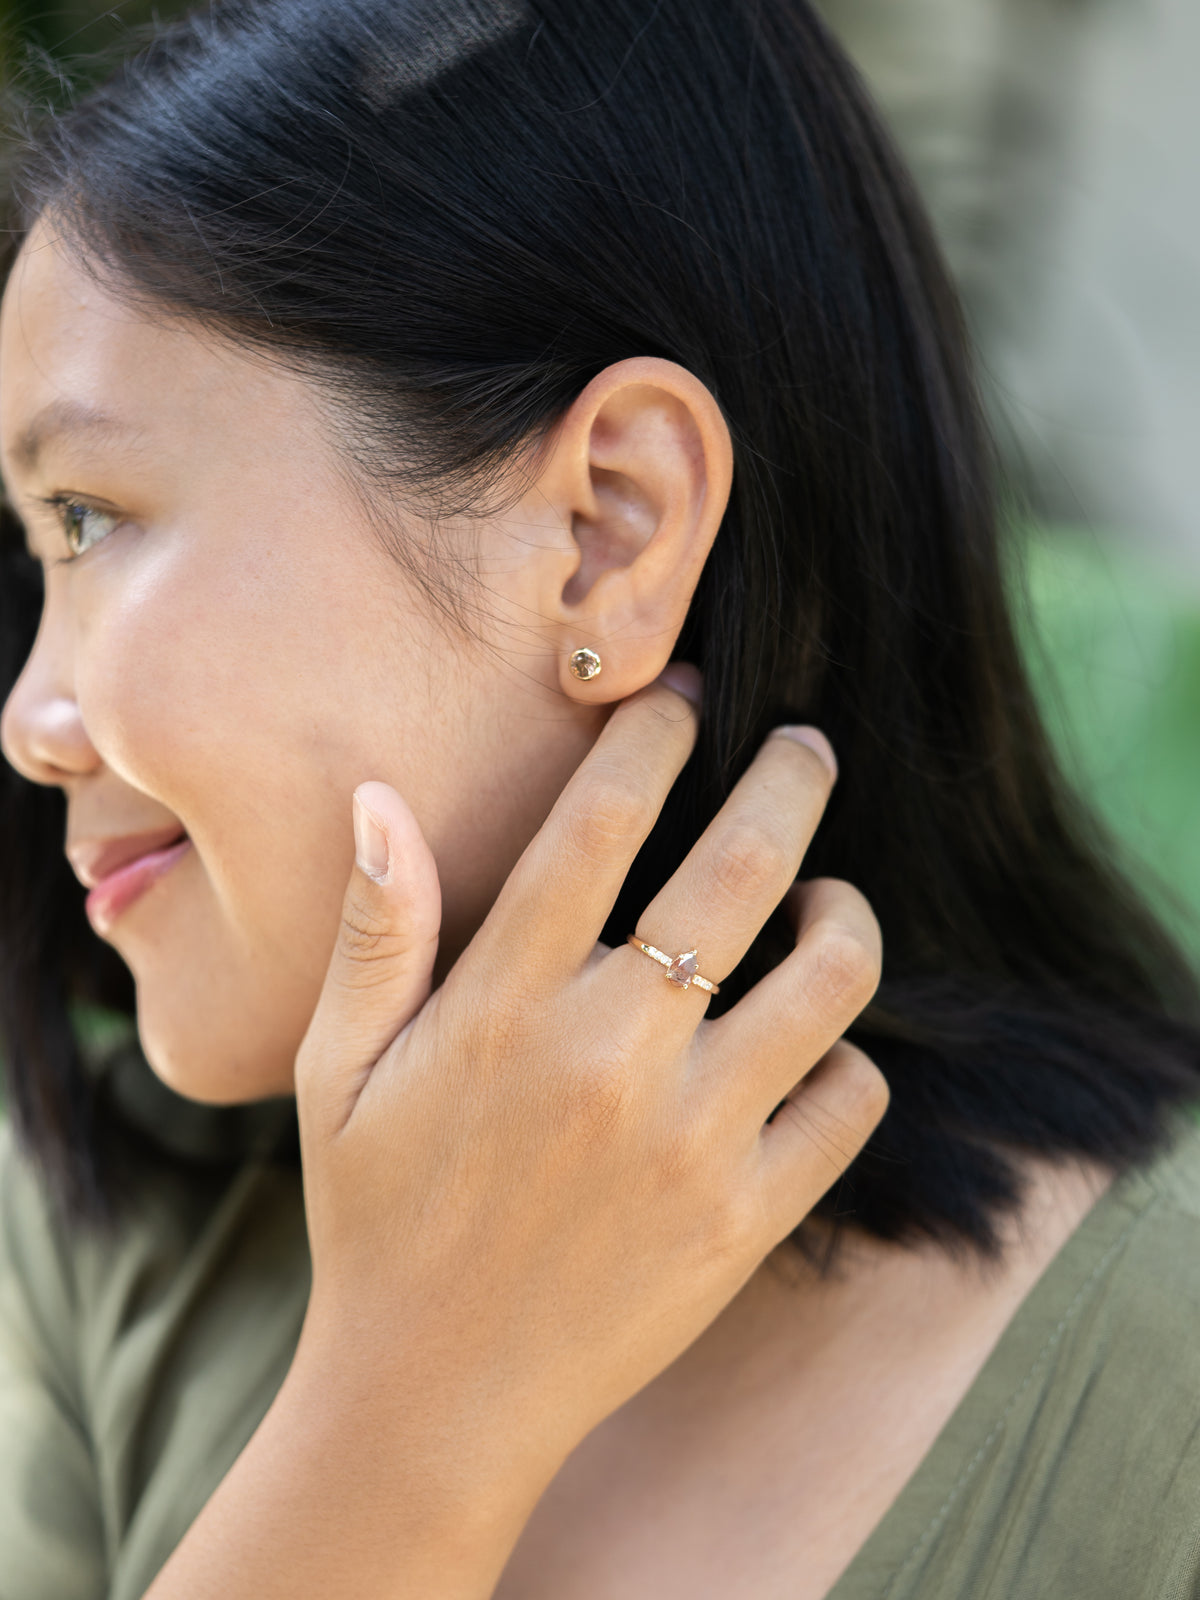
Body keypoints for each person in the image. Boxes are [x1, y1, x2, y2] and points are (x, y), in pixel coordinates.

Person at [1, 1, 1199, 1595]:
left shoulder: (1158, 1375)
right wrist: (410, 1406)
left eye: (89, 514)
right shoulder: (104, 1246)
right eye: (36, 551)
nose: (30, 719)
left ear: (609, 533)